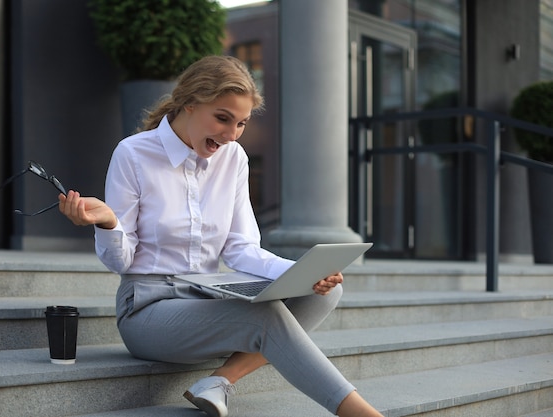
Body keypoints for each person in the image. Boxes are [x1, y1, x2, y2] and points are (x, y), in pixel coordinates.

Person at [59, 55, 383, 417]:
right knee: (265, 318)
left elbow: (241, 249)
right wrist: (108, 224)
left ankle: (219, 379)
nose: (230, 135)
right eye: (222, 118)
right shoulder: (134, 154)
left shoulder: (234, 158)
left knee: (325, 292)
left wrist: (302, 273)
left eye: (241, 123)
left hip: (208, 296)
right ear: (189, 103)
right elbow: (120, 261)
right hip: (147, 310)